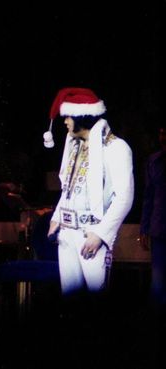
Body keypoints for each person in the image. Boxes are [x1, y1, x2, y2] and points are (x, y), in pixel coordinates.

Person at [43, 87, 134, 296]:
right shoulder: (74, 146)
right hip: (67, 234)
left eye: (68, 116)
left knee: (97, 302)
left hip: (90, 233)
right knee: (70, 300)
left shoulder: (116, 148)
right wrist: (57, 218)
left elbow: (124, 198)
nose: (64, 121)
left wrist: (100, 235)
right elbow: (68, 188)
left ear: (82, 116)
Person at [140, 125, 166, 306]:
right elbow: (148, 196)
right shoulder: (153, 161)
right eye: (161, 133)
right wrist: (144, 228)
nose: (163, 137)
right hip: (159, 229)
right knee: (157, 282)